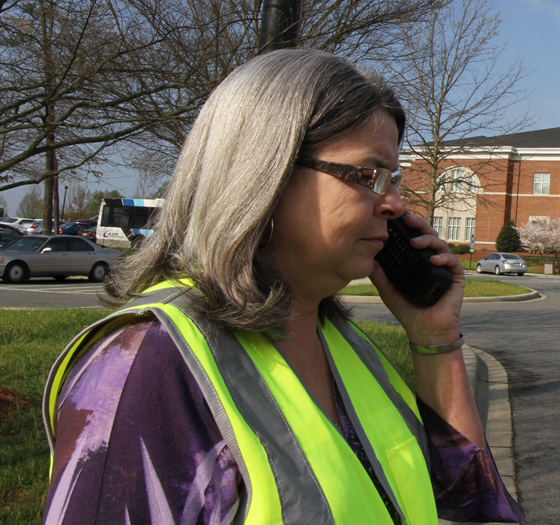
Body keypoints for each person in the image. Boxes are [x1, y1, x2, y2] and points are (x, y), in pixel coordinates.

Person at [43, 49, 524, 524]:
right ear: (264, 175)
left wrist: (434, 338)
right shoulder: (148, 365)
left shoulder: (343, 346)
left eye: (392, 180)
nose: (395, 204)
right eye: (368, 176)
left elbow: (468, 504)